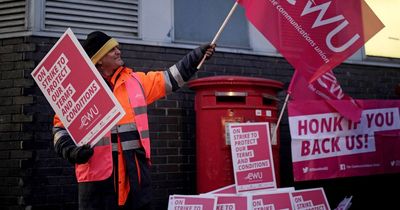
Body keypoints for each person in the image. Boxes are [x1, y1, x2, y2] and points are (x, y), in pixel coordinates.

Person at [52, 31, 216, 210]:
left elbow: (169, 79)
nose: (118, 51)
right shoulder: (78, 90)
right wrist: (71, 151)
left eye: (117, 48)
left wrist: (196, 56)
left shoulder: (135, 81)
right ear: (99, 59)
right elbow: (60, 130)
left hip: (134, 174)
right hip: (98, 178)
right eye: (111, 49)